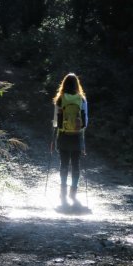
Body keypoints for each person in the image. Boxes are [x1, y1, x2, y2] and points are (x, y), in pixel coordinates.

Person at [52, 73, 88, 205]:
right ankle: (73, 191)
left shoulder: (60, 99)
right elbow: (86, 122)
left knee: (64, 164)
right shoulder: (82, 100)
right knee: (76, 165)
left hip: (63, 136)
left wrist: (53, 137)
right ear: (77, 84)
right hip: (77, 136)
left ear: (64, 84)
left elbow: (56, 122)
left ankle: (63, 191)